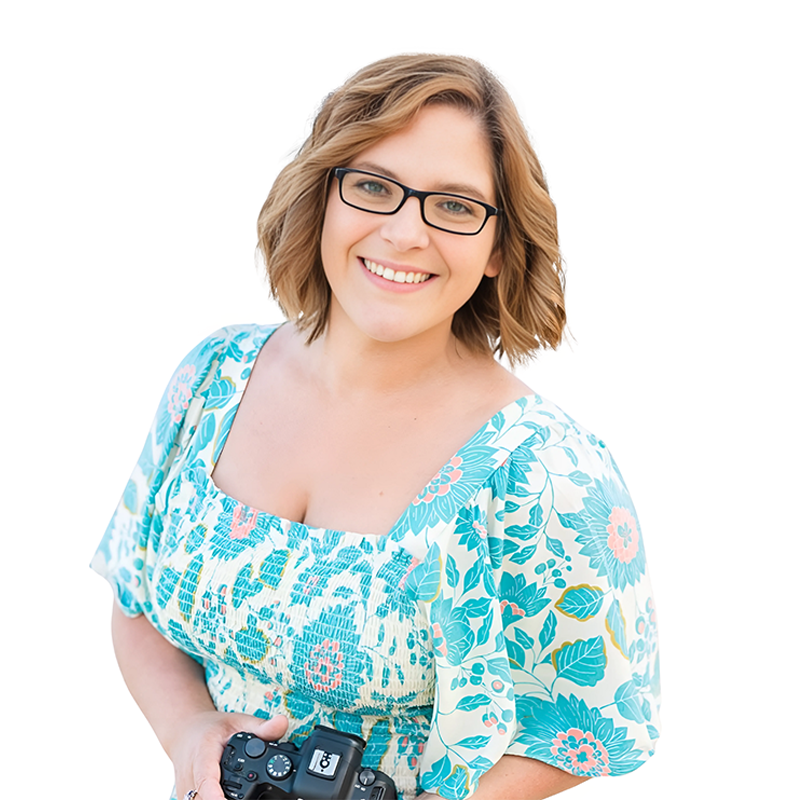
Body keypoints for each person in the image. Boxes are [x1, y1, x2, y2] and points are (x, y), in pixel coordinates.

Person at [92, 54, 661, 800]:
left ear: (497, 247)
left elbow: (596, 729)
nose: (404, 233)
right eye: (372, 186)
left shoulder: (546, 471)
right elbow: (135, 599)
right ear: (323, 196)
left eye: (454, 205)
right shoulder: (212, 379)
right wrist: (189, 731)